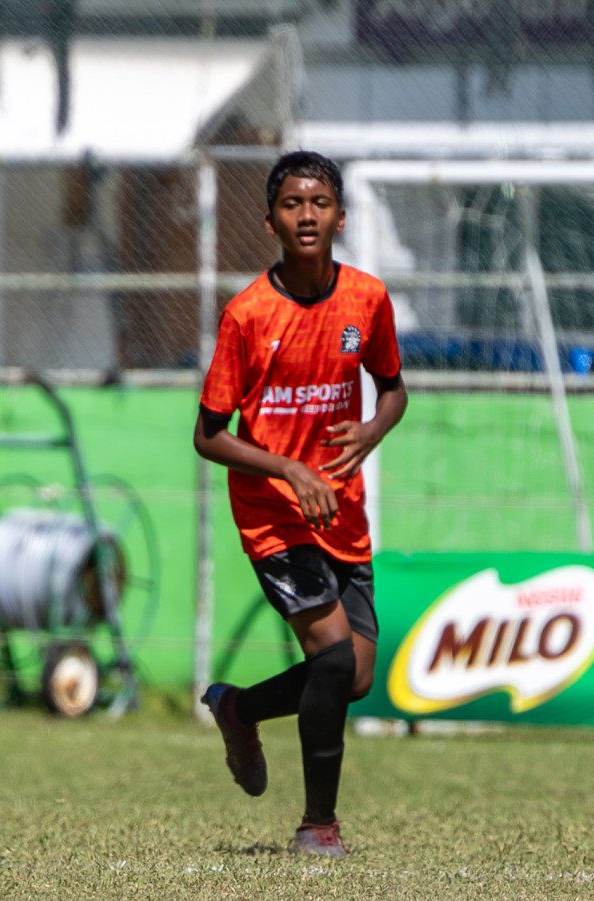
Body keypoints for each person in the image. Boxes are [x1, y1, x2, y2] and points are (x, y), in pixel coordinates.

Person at [194, 151, 407, 859]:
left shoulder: (367, 301)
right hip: (273, 513)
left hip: (342, 511)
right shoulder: (248, 315)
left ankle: (239, 708)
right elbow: (209, 437)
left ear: (341, 217)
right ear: (270, 221)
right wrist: (289, 468)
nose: (307, 214)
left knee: (355, 675)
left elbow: (394, 388)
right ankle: (319, 826)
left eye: (319, 203)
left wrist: (372, 430)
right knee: (332, 653)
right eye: (292, 204)